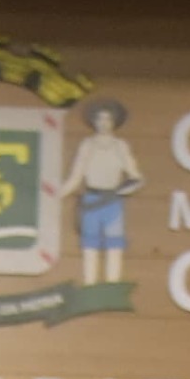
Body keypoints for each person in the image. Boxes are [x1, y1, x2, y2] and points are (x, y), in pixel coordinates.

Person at [56, 98, 143, 288]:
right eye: (100, 119)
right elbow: (75, 177)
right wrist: (56, 195)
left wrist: (122, 191)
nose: (103, 123)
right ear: (94, 121)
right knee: (90, 246)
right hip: (91, 201)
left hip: (112, 201)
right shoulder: (87, 145)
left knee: (114, 246)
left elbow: (136, 177)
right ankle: (90, 286)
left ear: (114, 122)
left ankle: (112, 287)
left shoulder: (120, 146)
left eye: (107, 119)